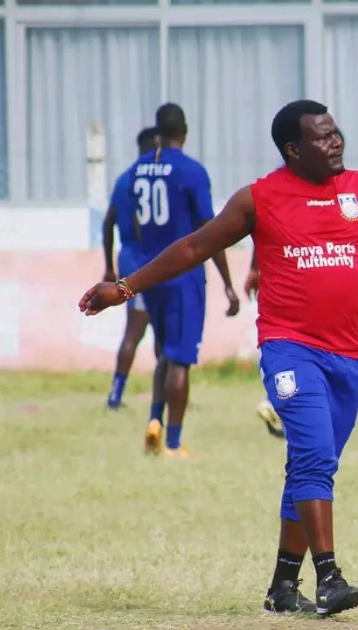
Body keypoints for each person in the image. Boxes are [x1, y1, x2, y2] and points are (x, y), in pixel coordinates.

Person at [78, 99, 358, 616]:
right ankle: (329, 577)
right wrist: (125, 287)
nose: (335, 142)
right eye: (321, 136)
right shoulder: (258, 199)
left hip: (348, 354)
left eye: (336, 133)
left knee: (313, 466)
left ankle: (283, 589)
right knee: (312, 458)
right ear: (293, 149)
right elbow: (195, 247)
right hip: (289, 349)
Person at [132, 103, 240, 456]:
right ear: (185, 132)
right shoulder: (192, 171)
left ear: (158, 131)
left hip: (150, 273)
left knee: (165, 351)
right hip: (183, 276)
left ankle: (154, 421)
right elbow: (210, 232)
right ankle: (174, 443)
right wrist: (226, 282)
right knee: (181, 359)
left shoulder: (138, 170)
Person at [103, 126, 159, 409]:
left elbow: (107, 221)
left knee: (135, 330)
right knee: (149, 330)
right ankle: (159, 395)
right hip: (149, 263)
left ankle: (117, 393)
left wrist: (108, 267)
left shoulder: (125, 178)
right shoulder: (155, 179)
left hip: (127, 260)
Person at [245, 247, 284, 438]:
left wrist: (254, 268)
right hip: (309, 274)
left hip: (277, 277)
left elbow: (260, 222)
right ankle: (274, 400)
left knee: (280, 339)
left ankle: (273, 397)